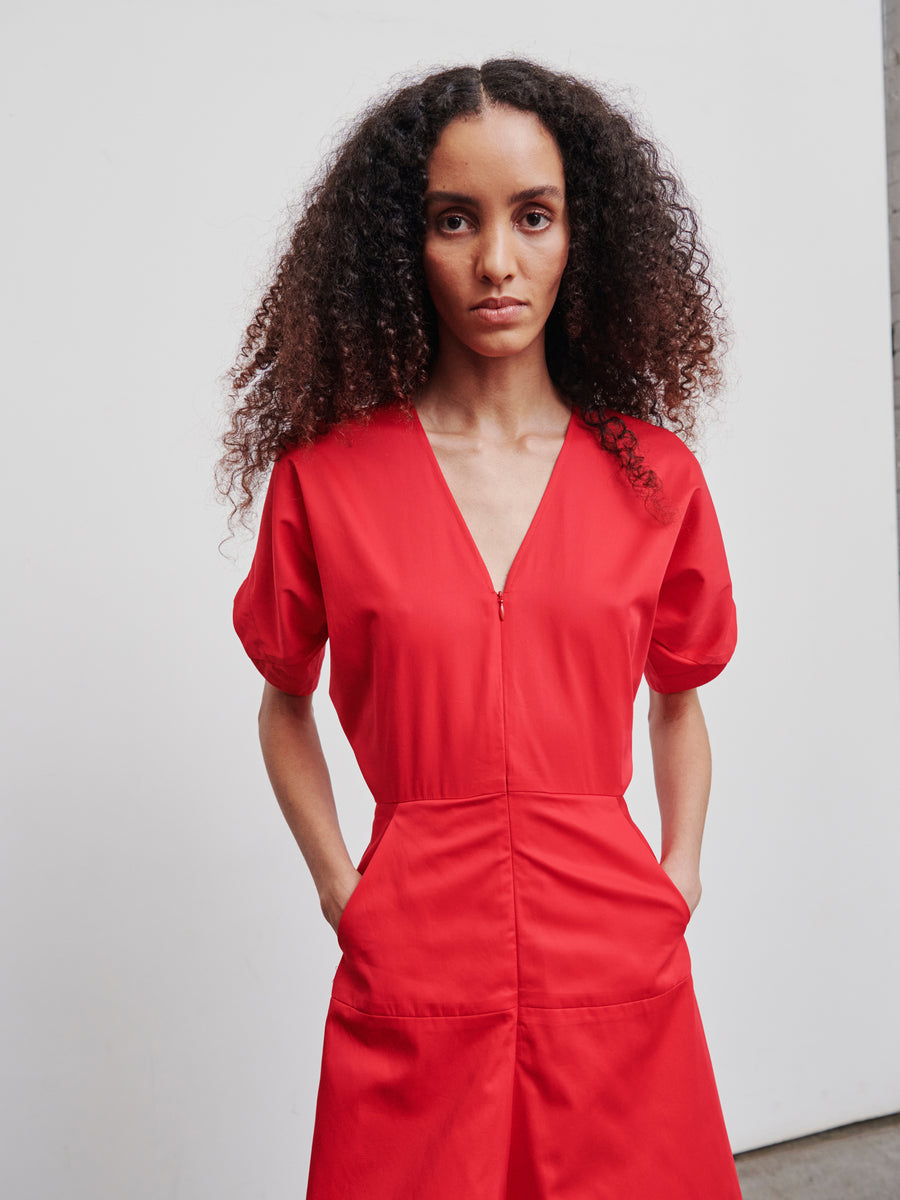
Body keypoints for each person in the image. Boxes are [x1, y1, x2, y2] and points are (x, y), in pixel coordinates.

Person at [218, 57, 741, 1200]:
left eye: (533, 217)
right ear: (402, 246)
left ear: (580, 237)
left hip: (612, 950)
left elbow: (680, 695)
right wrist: (342, 891)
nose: (496, 262)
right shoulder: (327, 482)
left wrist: (680, 875)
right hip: (415, 952)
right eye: (455, 220)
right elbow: (282, 700)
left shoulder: (658, 479)